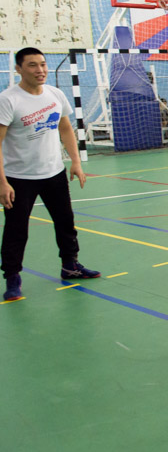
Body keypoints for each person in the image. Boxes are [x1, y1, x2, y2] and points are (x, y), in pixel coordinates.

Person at [0, 47, 100, 301]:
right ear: (18, 69)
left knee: (65, 222)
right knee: (16, 229)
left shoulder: (55, 94)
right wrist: (2, 182)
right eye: (32, 65)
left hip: (54, 173)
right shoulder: (8, 100)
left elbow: (65, 128)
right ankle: (12, 277)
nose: (40, 70)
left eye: (43, 64)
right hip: (19, 177)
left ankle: (70, 265)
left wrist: (75, 162)